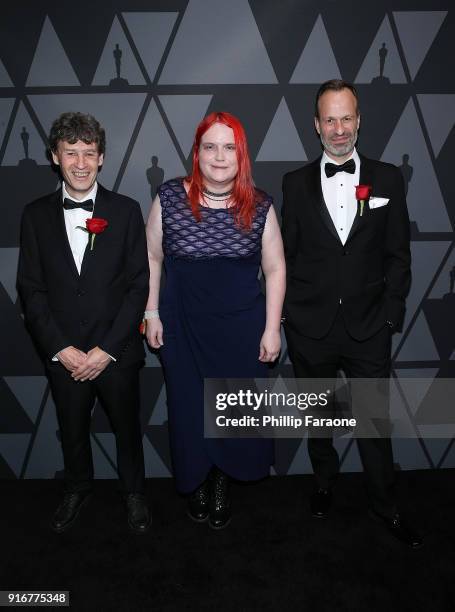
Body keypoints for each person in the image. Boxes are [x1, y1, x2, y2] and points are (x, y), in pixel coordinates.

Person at [281, 80, 422, 548]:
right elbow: (288, 258)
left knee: (373, 422)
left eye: (346, 118)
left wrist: (390, 315)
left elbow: (398, 254)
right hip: (312, 328)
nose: (338, 129)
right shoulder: (295, 184)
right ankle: (323, 483)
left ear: (358, 121)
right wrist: (291, 318)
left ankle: (386, 504)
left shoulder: (387, 179)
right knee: (319, 418)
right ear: (316, 125)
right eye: (329, 120)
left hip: (368, 327)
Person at [145, 111, 285, 529]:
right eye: (210, 146)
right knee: (188, 407)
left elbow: (275, 268)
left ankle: (222, 478)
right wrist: (150, 312)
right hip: (181, 323)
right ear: (197, 152)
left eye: (229, 147)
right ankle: (198, 480)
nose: (219, 156)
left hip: (240, 326)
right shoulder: (169, 197)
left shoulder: (260, 205)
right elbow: (152, 258)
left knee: (229, 406)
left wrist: (272, 327)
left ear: (240, 155)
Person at [17, 112, 151, 534]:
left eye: (88, 153)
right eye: (70, 153)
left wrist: (107, 350)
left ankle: (134, 494)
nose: (80, 163)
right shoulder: (34, 215)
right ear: (54, 157)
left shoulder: (127, 211)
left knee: (128, 430)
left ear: (102, 158)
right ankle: (77, 488)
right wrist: (61, 349)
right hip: (65, 356)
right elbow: (31, 289)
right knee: (71, 431)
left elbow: (138, 286)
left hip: (117, 353)